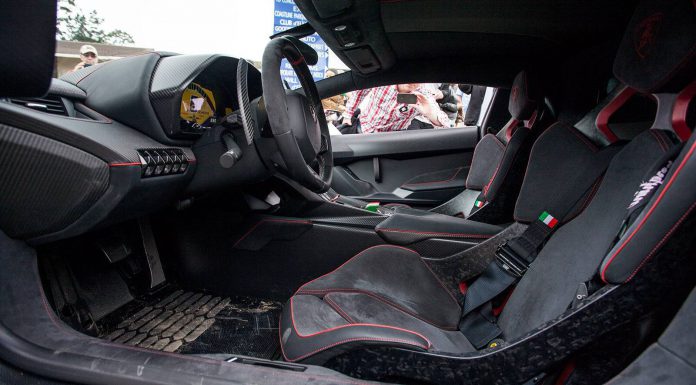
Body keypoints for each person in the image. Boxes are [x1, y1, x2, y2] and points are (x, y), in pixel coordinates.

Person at [341, 83, 450, 134]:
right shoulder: (383, 81)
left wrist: (430, 113)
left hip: (391, 138)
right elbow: (360, 92)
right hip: (363, 129)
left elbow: (445, 124)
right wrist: (347, 114)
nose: (413, 82)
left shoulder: (421, 95)